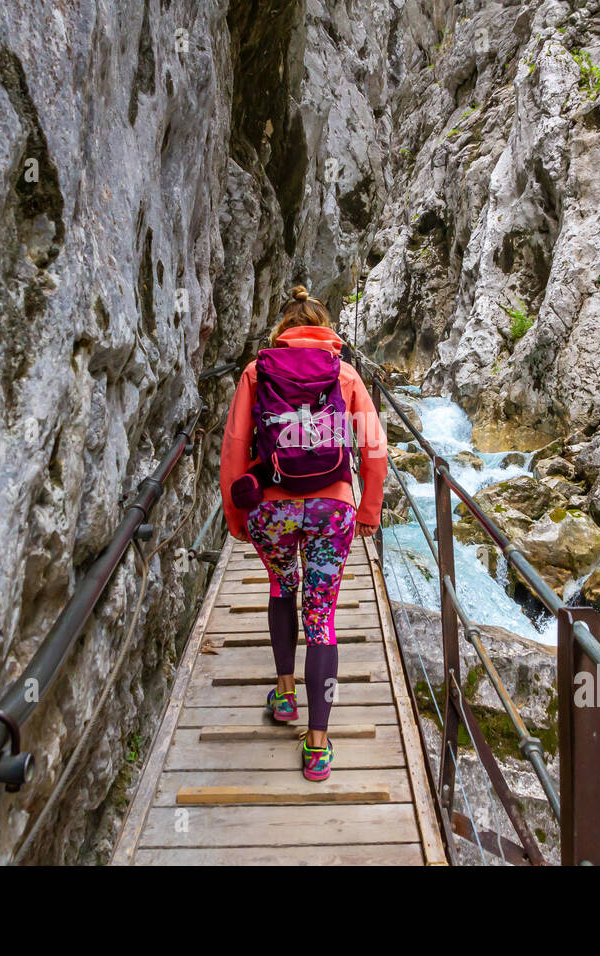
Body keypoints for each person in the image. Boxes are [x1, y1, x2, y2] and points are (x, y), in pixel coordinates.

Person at [220, 285, 386, 781]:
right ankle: (317, 745)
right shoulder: (345, 373)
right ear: (325, 329)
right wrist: (368, 511)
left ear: (283, 332)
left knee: (282, 587)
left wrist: (236, 517)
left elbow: (232, 446)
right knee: (322, 617)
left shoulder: (257, 371)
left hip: (271, 507)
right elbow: (374, 449)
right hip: (332, 507)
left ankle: (286, 694)